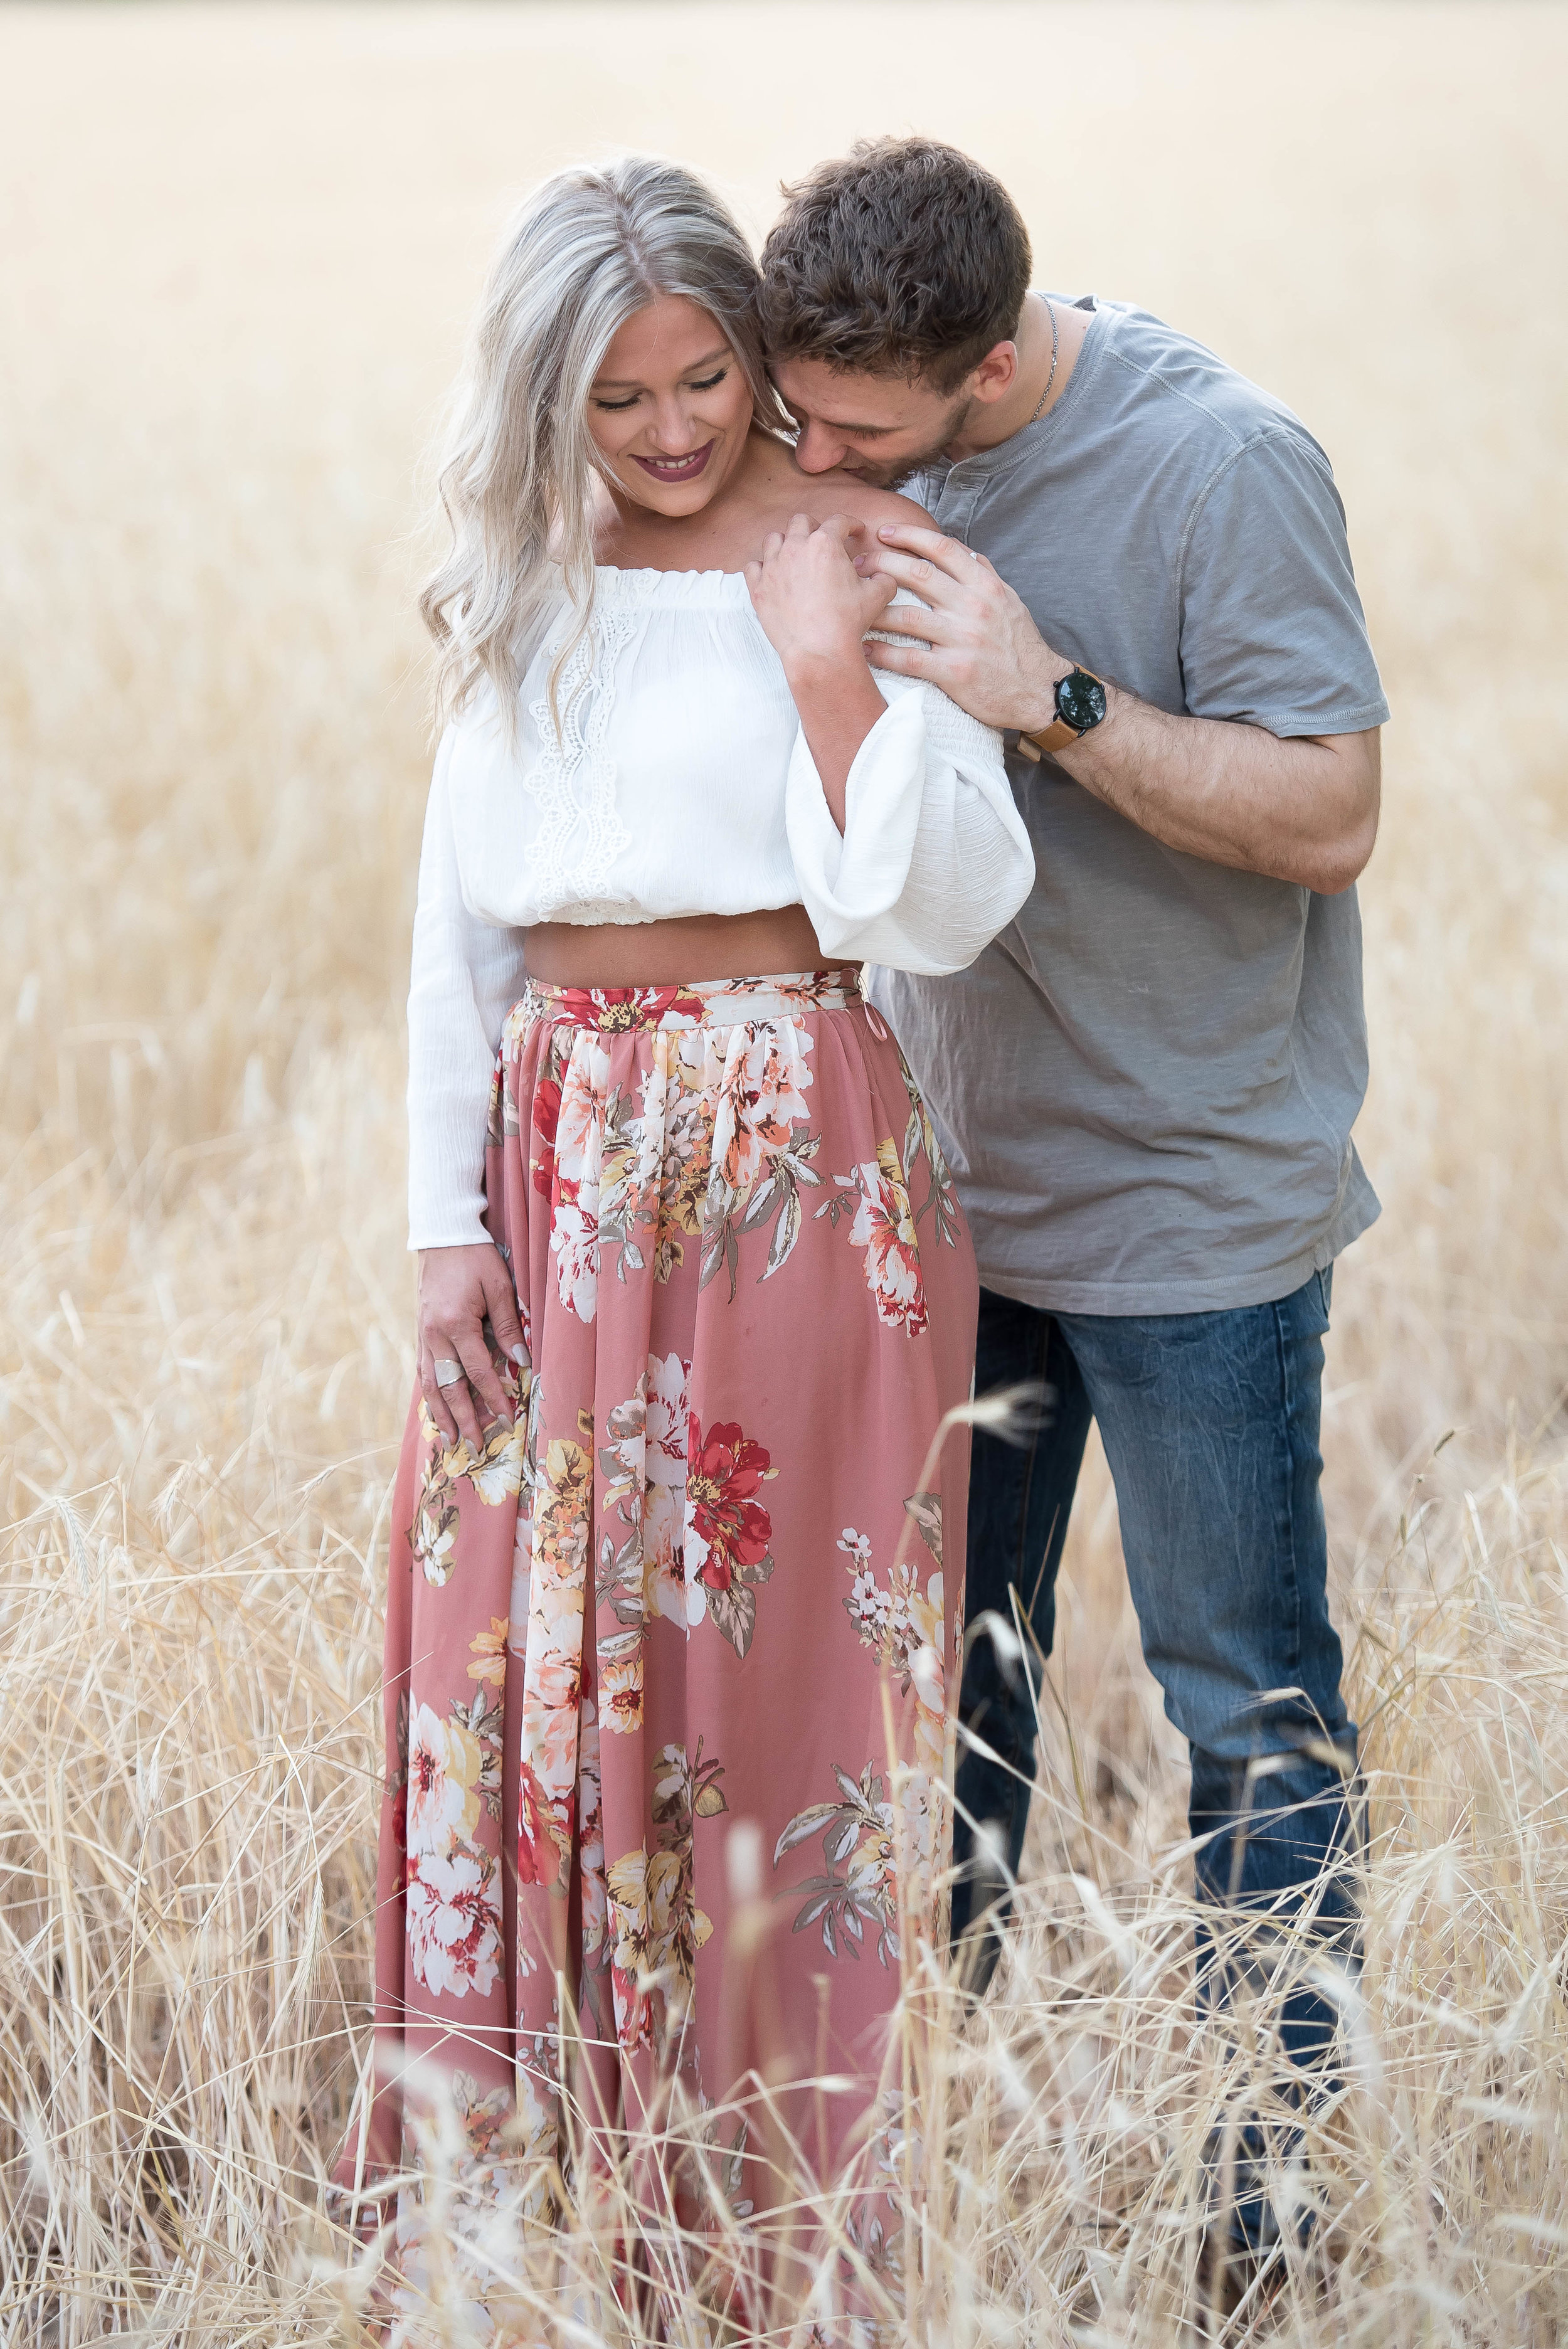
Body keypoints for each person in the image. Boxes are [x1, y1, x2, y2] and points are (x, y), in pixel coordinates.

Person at [336, 154, 1034, 2323]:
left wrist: (828, 670)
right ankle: (518, 2214)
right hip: (552, 1171)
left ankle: (778, 2242)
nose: (667, 429)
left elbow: (949, 903)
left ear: (755, 356)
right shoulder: (519, 581)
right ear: (550, 400)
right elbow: (462, 934)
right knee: (499, 1656)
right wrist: (440, 1221)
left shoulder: (858, 553)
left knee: (783, 1693)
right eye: (618, 393)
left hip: (793, 1165)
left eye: (704, 376)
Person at [758, 137, 1387, 2253]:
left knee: (1244, 1716)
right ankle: (908, 2176)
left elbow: (1329, 811)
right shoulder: (831, 409)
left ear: (996, 363)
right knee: (940, 1707)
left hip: (1191, 1209)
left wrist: (1053, 699)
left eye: (851, 432)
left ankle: (1265, 2212)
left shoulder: (1223, 465)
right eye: (797, 416)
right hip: (949, 1203)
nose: (808, 459)